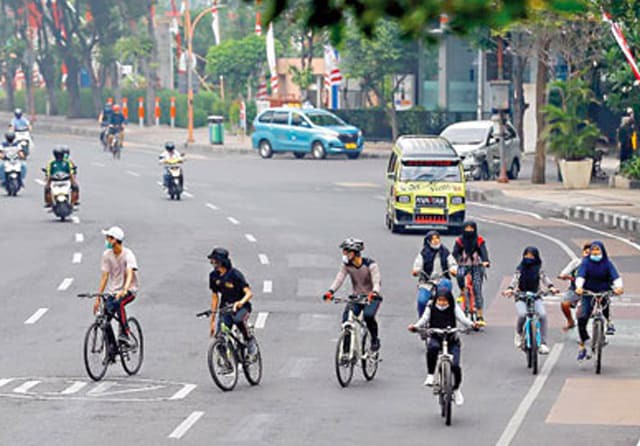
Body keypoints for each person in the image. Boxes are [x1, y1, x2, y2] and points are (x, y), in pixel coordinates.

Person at [408, 279, 477, 406]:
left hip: (452, 340)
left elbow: (462, 319)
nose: (442, 303)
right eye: (440, 300)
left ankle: (456, 389)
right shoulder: (431, 307)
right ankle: (430, 374)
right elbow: (424, 319)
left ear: (449, 300)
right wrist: (415, 326)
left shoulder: (453, 307)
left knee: (455, 366)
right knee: (432, 348)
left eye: (444, 300)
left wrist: (473, 324)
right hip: (436, 336)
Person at [324, 238, 383, 352]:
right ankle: (346, 352)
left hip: (371, 297)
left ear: (355, 253)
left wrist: (374, 292)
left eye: (347, 251)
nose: (344, 254)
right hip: (356, 298)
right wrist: (330, 292)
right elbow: (339, 278)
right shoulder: (347, 265)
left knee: (368, 316)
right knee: (347, 320)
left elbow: (376, 281)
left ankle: (374, 339)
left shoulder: (370, 265)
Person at [503, 247, 559, 355]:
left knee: (542, 315)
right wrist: (510, 289)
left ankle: (542, 343)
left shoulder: (539, 269)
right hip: (521, 297)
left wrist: (551, 287)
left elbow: (545, 279)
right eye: (526, 255)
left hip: (535, 296)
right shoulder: (520, 268)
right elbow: (515, 280)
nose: (529, 258)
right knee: (522, 314)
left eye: (531, 256)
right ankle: (519, 334)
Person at [575, 241, 624, 361]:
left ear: (602, 251)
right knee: (582, 317)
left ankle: (608, 322)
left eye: (598, 250)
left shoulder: (607, 263)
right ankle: (584, 340)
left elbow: (615, 276)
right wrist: (579, 287)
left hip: (603, 290)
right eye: (593, 250)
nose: (595, 252)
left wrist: (619, 287)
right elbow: (581, 275)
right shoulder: (586, 263)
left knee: (605, 305)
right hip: (588, 292)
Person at [208, 247, 257, 355]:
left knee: (239, 320)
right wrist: (212, 319)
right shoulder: (213, 276)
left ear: (221, 261)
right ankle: (227, 364)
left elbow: (249, 293)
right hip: (226, 308)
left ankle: (249, 340)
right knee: (220, 339)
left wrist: (240, 303)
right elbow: (215, 297)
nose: (212, 262)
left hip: (241, 307)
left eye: (215, 260)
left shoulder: (235, 275)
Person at [95, 226, 139, 346]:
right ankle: (112, 349)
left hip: (129, 290)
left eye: (108, 238)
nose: (107, 241)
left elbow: (130, 272)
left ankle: (125, 333)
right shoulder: (106, 255)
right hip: (113, 291)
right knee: (105, 319)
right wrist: (98, 297)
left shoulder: (128, 254)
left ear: (115, 240)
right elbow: (105, 276)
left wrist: (125, 290)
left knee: (118, 303)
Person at [452, 221, 490, 326]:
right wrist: (453, 264)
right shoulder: (459, 241)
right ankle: (463, 290)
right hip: (463, 265)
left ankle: (479, 315)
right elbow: (455, 253)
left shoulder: (479, 240)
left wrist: (486, 261)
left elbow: (483, 252)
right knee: (459, 275)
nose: (469, 231)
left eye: (471, 229)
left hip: (476, 266)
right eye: (467, 228)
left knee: (477, 288)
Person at [412, 230, 457, 317]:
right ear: (428, 241)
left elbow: (452, 263)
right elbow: (417, 265)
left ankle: (450, 316)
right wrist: (416, 270)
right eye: (433, 239)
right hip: (427, 282)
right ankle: (421, 318)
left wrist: (453, 269)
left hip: (442, 280)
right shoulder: (423, 253)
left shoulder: (445, 252)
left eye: (437, 238)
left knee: (448, 297)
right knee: (422, 300)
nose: (436, 241)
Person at [558, 243, 592, 332]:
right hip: (575, 290)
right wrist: (568, 277)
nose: (588, 255)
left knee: (582, 313)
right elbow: (563, 274)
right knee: (564, 303)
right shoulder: (576, 263)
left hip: (590, 292)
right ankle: (570, 321)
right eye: (586, 253)